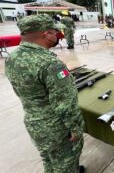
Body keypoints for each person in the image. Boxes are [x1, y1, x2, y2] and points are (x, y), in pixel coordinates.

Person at [5, 14, 85, 173]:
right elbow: (65, 104)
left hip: (34, 123)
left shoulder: (12, 57)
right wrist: (75, 128)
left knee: (49, 159)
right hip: (56, 128)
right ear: (46, 34)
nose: (58, 35)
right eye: (55, 32)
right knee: (66, 163)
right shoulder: (50, 63)